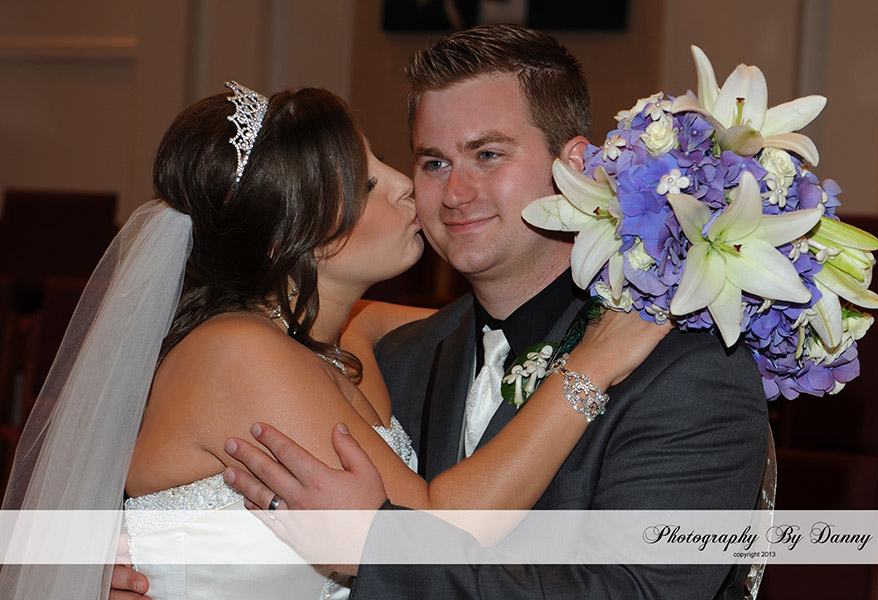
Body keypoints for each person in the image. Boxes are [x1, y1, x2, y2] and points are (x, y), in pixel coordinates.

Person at [1, 80, 669, 600]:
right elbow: (431, 530)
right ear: (286, 238)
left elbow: (495, 318)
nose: (407, 185)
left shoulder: (344, 337)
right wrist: (594, 362)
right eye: (367, 182)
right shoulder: (240, 353)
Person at [217, 24, 773, 599]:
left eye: (487, 155)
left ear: (573, 165)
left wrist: (382, 550)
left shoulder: (688, 369)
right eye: (433, 163)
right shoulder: (398, 361)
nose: (455, 193)